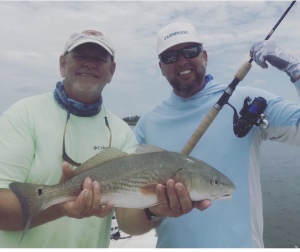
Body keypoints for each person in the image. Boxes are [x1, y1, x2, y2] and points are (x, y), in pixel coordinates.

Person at [133, 22, 300, 248]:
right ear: (161, 67)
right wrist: (153, 210)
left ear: (205, 56)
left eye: (190, 51)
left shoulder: (249, 102)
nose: (182, 61)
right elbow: (128, 223)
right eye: (170, 56)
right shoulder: (146, 124)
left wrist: (295, 70)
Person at [0, 29, 140, 248]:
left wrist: (155, 209)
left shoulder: (123, 133)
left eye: (99, 59)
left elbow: (128, 221)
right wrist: (57, 204)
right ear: (63, 64)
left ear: (111, 71)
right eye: (81, 56)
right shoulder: (22, 115)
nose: (89, 64)